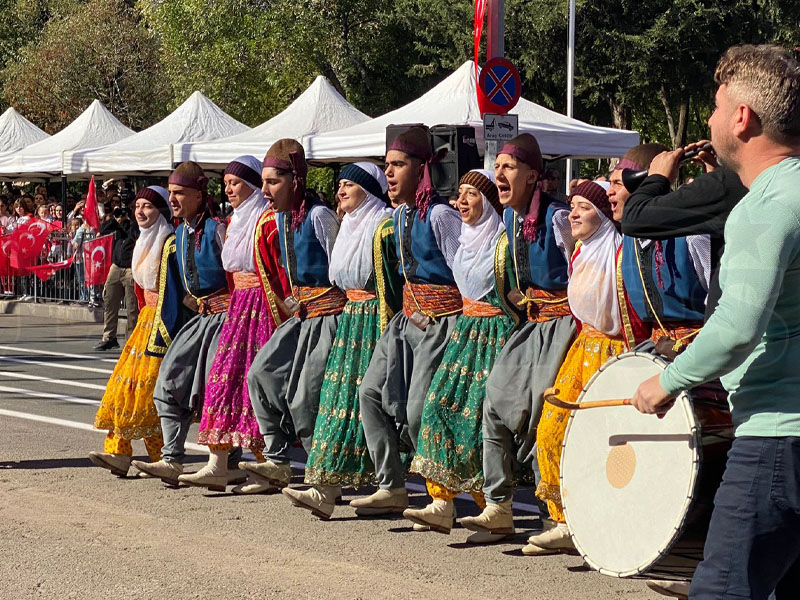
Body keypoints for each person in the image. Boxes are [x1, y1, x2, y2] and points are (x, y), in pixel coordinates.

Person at [632, 44, 800, 599]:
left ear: (742, 118)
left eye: (715, 103)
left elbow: (735, 328)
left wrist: (666, 382)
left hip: (779, 433)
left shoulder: (766, 203)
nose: (707, 118)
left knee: (725, 589)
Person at [459, 134, 575, 544]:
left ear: (532, 175)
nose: (500, 174)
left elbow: (586, 269)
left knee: (549, 412)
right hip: (532, 325)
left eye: (509, 167)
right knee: (494, 400)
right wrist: (518, 300)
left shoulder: (560, 218)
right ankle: (498, 507)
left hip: (565, 325)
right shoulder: (509, 218)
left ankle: (559, 516)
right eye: (498, 167)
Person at [351, 126, 463, 516]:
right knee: (370, 393)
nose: (390, 173)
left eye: (399, 164)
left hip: (440, 323)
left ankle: (441, 498)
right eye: (388, 166)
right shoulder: (398, 217)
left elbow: (464, 274)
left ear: (422, 169)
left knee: (418, 410)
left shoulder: (442, 215)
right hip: (404, 321)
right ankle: (391, 486)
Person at [404, 169, 521, 534]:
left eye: (471, 194)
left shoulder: (503, 241)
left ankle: (495, 508)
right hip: (466, 332)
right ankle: (441, 502)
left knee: (480, 417)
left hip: (496, 334)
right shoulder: (464, 242)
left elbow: (516, 287)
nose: (462, 201)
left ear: (486, 201)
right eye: (460, 194)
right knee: (438, 404)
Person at [281, 162, 401, 519]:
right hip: (351, 318)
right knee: (336, 401)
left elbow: (392, 281)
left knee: (368, 401)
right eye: (340, 185)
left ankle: (387, 485)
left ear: (368, 189)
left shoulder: (384, 224)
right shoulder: (349, 223)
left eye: (349, 184)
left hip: (374, 320)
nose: (341, 191)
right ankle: (326, 487)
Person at [517, 181, 624, 555]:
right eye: (572, 206)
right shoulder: (580, 251)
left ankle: (606, 526)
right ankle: (564, 519)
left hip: (615, 354)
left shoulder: (620, 251)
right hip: (582, 350)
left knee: (606, 443)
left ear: (604, 215)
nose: (574, 214)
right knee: (551, 429)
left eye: (584, 207)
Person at [177, 156, 291, 493]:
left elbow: (278, 270)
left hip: (263, 305)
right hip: (239, 306)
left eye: (236, 183)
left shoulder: (267, 219)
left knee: (255, 383)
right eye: (226, 184)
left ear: (254, 185)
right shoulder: (237, 220)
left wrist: (282, 310)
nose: (229, 189)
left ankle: (267, 462)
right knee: (223, 379)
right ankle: (218, 463)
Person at [243, 139, 343, 492]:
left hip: (330, 317)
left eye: (273, 182)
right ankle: (278, 459)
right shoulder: (279, 220)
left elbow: (342, 270)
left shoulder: (319, 216)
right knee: (261, 373)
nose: (265, 190)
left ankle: (323, 475)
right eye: (264, 182)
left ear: (295, 181)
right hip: (301, 318)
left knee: (306, 397)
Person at [132, 161, 236, 486]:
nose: (172, 199)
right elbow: (173, 293)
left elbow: (238, 280)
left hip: (228, 318)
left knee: (216, 387)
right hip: (202, 319)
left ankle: (224, 464)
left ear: (198, 194)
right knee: (168, 382)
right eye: (171, 193)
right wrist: (165, 339)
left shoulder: (219, 230)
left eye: (179, 193)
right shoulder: (178, 235)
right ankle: (172, 459)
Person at [88, 187, 173, 476]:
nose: (140, 211)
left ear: (161, 210)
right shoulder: (141, 243)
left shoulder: (170, 242)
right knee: (126, 385)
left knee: (150, 389)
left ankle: (163, 455)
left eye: (148, 206)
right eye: (138, 205)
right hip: (145, 322)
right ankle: (119, 452)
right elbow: (140, 292)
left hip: (165, 322)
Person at [621, 142, 748, 318]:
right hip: (659, 341)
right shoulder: (627, 240)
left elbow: (714, 284)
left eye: (616, 183)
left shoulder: (693, 236)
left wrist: (657, 177)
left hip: (700, 335)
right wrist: (714, 175)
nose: (610, 191)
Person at [92, 206, 139, 350]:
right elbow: (103, 230)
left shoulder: (135, 225)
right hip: (116, 267)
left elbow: (134, 234)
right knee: (110, 302)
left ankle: (130, 341)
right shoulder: (117, 226)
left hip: (131, 269)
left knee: (132, 307)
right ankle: (109, 337)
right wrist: (114, 218)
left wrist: (128, 220)